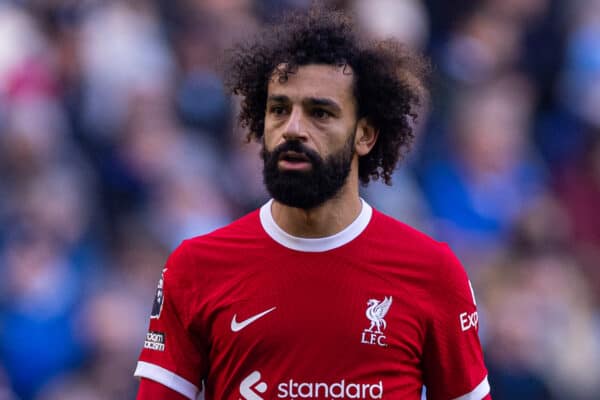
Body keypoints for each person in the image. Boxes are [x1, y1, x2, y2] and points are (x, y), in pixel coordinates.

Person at [134, 7, 491, 400]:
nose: (293, 128)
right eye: (279, 110)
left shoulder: (433, 273)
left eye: (320, 113)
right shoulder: (196, 268)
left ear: (365, 135)